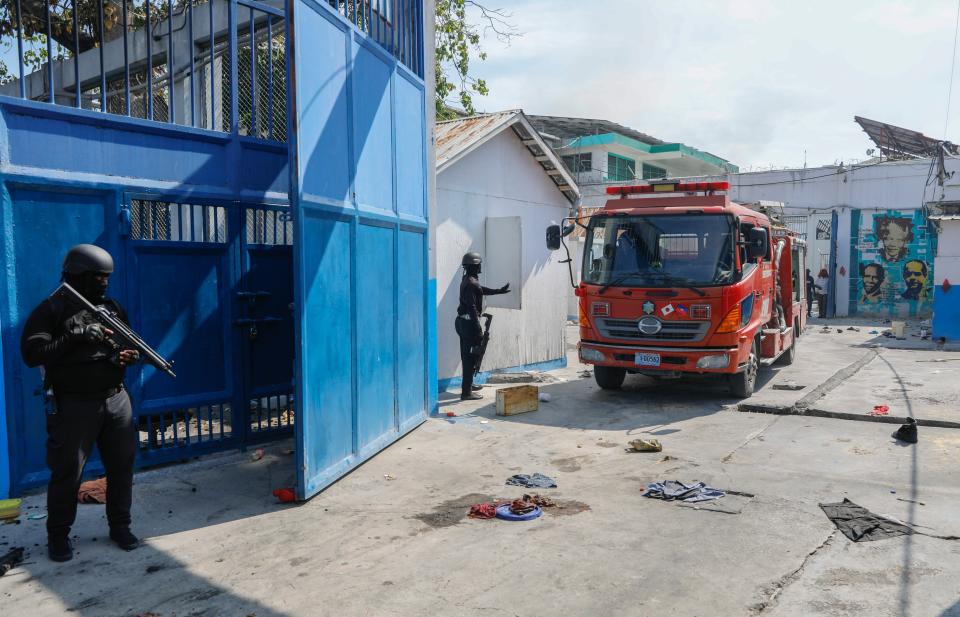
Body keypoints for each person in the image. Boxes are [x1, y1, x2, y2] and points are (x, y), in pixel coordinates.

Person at [20, 244, 141, 562]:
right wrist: (74, 335)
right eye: (97, 277)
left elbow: (126, 343)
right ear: (77, 275)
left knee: (122, 468)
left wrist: (125, 356)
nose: (103, 283)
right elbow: (32, 355)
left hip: (116, 399)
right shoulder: (52, 309)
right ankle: (58, 537)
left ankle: (120, 526)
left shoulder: (110, 307)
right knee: (67, 473)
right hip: (74, 406)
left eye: (106, 277)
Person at [455, 252, 509, 401]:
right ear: (474, 266)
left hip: (462, 322)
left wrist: (498, 291)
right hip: (468, 324)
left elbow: (481, 290)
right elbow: (472, 308)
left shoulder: (468, 280)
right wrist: (478, 328)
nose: (480, 267)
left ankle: (468, 385)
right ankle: (466, 393)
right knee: (469, 358)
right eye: (478, 264)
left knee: (468, 356)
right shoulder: (471, 282)